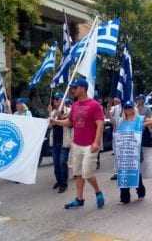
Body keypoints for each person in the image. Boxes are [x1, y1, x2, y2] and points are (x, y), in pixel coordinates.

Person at [51, 78, 105, 209]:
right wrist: (56, 122)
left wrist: (96, 142)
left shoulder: (94, 105)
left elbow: (100, 124)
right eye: (72, 88)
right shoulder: (74, 106)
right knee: (77, 173)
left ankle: (98, 191)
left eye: (75, 88)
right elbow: (70, 123)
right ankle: (79, 199)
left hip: (90, 145)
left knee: (87, 173)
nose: (72, 90)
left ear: (83, 88)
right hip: (76, 144)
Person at [118, 101, 152, 204]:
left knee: (135, 173)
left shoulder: (139, 119)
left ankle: (140, 192)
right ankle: (124, 198)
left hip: (135, 152)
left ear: (133, 108)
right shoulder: (122, 121)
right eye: (126, 108)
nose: (128, 110)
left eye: (130, 108)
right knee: (123, 174)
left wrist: (142, 124)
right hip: (124, 152)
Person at [48, 92, 69, 193]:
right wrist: (50, 114)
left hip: (64, 141)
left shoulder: (69, 110)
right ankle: (59, 181)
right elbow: (49, 126)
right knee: (56, 164)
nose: (56, 101)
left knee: (62, 163)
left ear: (62, 100)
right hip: (55, 141)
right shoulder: (52, 112)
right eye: (55, 100)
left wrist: (59, 115)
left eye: (58, 99)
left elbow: (69, 122)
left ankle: (63, 184)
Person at [135, 95, 152, 173]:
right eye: (138, 99)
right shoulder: (134, 108)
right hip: (135, 131)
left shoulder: (147, 109)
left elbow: (151, 120)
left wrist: (144, 124)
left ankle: (142, 164)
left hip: (144, 131)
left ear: (143, 100)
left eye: (140, 99)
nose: (139, 100)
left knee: (143, 149)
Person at [109, 97, 122, 180]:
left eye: (117, 100)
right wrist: (109, 110)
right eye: (115, 100)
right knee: (117, 154)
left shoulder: (128, 106)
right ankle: (117, 172)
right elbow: (112, 121)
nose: (116, 101)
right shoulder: (114, 108)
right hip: (117, 133)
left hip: (127, 134)